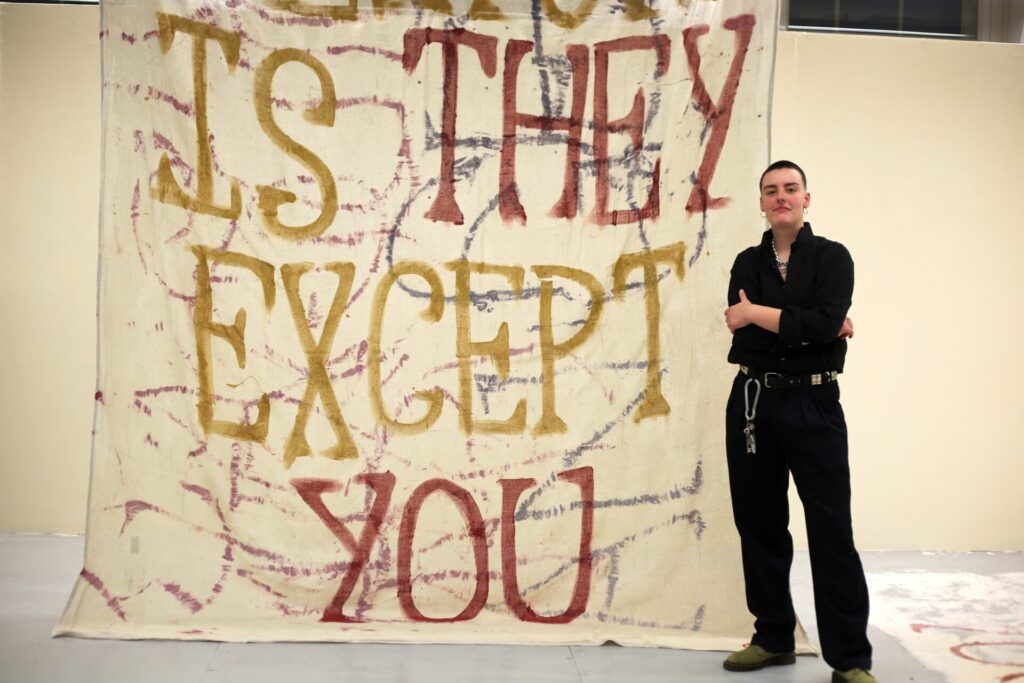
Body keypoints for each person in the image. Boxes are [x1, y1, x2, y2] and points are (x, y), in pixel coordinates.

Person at [721, 160, 875, 683]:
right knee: (759, 523)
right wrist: (815, 327)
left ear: (807, 199)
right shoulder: (747, 261)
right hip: (752, 402)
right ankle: (772, 637)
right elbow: (746, 335)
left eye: (790, 188)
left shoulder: (834, 257)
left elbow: (816, 323)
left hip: (815, 404)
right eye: (771, 191)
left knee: (831, 527)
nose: (781, 197)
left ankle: (850, 658)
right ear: (762, 203)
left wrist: (761, 315)